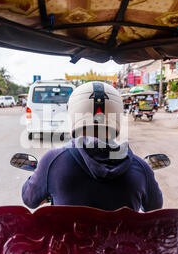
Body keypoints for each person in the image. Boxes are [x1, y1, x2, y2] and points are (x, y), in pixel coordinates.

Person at [21, 81, 163, 212]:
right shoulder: (141, 167)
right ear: (117, 115)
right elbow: (154, 207)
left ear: (74, 114)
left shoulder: (52, 161)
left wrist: (42, 172)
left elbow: (29, 200)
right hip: (122, 240)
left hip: (70, 240)